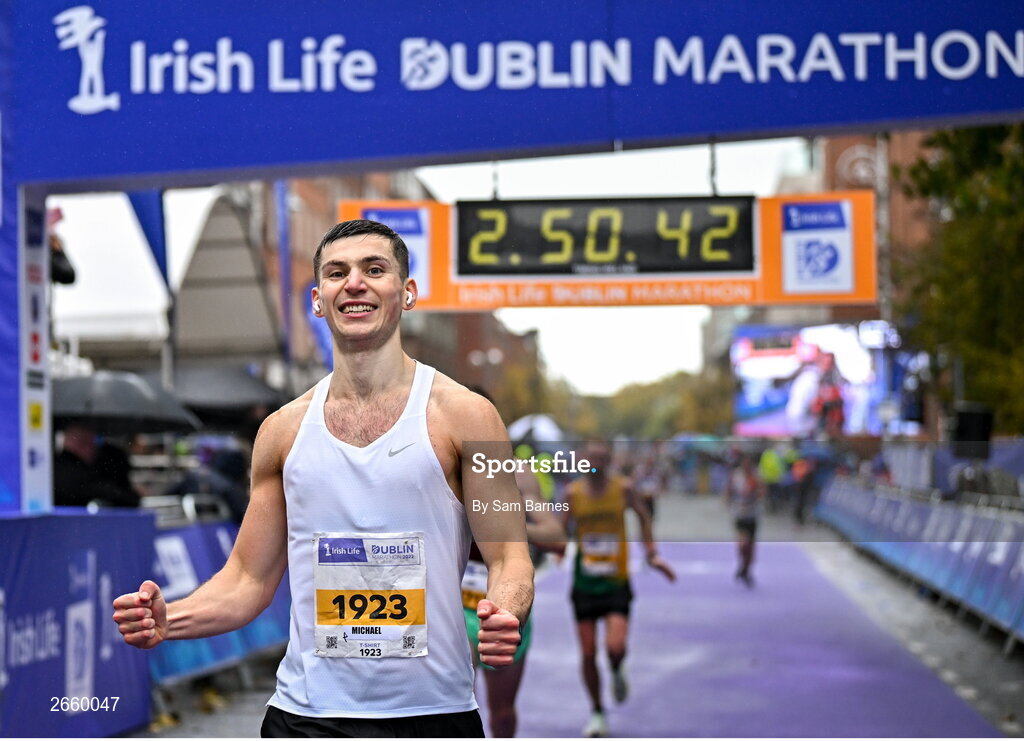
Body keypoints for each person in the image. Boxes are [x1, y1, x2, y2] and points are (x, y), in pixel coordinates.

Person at [113, 220, 533, 738]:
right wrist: (168, 621)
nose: (354, 283)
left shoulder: (469, 417)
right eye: (337, 273)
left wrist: (505, 611)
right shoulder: (281, 432)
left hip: (430, 715)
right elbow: (247, 579)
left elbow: (510, 556)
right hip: (305, 718)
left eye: (374, 270)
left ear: (407, 293)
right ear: (318, 299)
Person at [561, 440, 676, 738]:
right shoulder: (573, 493)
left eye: (602, 457)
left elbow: (642, 516)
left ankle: (616, 668)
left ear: (610, 460)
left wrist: (651, 553)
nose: (596, 463)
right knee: (587, 654)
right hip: (585, 582)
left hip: (615, 582)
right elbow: (561, 527)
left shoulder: (622, 489)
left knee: (614, 648)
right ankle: (598, 712)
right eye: (591, 458)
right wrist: (555, 549)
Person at [726, 454, 765, 587]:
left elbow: (762, 492)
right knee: (743, 543)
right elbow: (729, 489)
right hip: (739, 513)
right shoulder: (736, 475)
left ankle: (746, 569)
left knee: (751, 546)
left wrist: (755, 491)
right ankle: (742, 563)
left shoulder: (757, 476)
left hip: (752, 514)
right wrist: (728, 499)